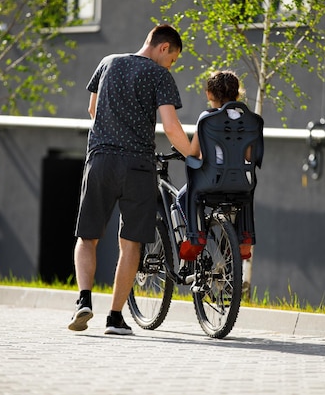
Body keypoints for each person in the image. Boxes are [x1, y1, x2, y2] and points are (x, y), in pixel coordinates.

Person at [68, 24, 192, 335]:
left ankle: (84, 299)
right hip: (137, 165)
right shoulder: (159, 76)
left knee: (87, 237)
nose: (171, 65)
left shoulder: (107, 63)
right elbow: (171, 126)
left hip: (101, 160)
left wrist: (110, 132)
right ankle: (114, 318)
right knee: (131, 243)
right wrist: (192, 152)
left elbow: (92, 109)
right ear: (163, 48)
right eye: (173, 58)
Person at [176, 70, 253, 259]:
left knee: (181, 197)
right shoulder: (247, 119)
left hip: (211, 181)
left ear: (209, 94)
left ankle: (197, 236)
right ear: (237, 93)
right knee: (241, 198)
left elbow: (193, 153)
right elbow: (249, 155)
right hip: (241, 182)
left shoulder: (207, 118)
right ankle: (244, 241)